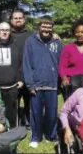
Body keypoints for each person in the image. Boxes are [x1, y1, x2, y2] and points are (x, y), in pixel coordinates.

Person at [23, 16, 63, 148]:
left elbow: (62, 62)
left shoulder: (57, 42)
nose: (46, 29)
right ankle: (36, 136)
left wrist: (61, 79)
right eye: (44, 26)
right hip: (36, 84)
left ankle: (50, 135)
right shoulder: (31, 41)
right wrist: (29, 84)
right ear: (39, 27)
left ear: (52, 28)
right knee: (36, 113)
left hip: (52, 84)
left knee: (52, 113)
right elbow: (27, 64)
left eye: (49, 26)